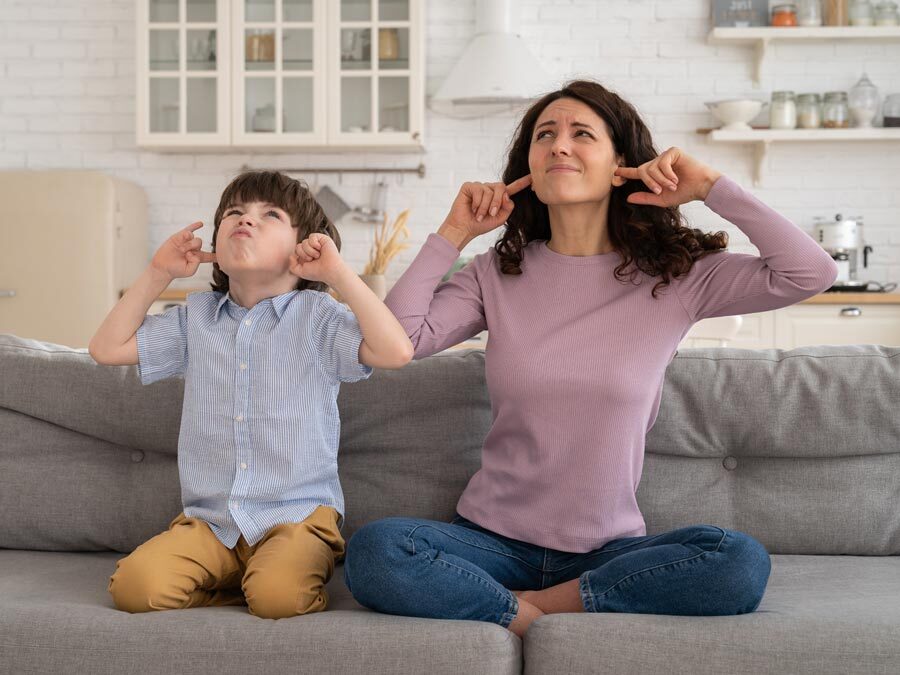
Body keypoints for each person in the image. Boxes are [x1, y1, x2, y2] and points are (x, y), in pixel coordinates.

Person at [343, 80, 838, 637]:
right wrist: (454, 233)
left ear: (621, 163)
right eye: (544, 135)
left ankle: (524, 609)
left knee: (737, 561)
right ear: (529, 166)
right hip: (489, 542)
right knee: (378, 550)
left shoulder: (676, 276)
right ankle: (548, 609)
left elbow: (811, 273)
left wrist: (709, 187)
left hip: (608, 551)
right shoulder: (494, 273)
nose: (559, 145)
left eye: (582, 134)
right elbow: (399, 340)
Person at [90, 170, 413, 619]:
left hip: (297, 518)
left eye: (270, 214)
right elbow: (105, 349)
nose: (246, 219)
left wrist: (338, 273)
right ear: (216, 247)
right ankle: (243, 584)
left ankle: (267, 580)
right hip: (212, 524)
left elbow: (396, 352)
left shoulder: (318, 317)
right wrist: (157, 272)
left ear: (304, 246)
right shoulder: (195, 320)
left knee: (279, 597)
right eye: (235, 212)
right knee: (134, 589)